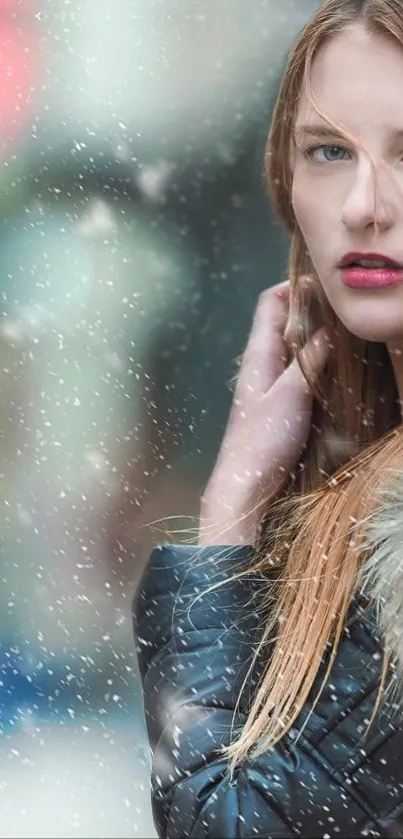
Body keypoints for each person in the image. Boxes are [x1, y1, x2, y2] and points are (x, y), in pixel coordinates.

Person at [132, 0, 403, 835]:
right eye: (328, 151)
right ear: (284, 188)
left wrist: (230, 510)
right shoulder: (352, 493)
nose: (363, 203)